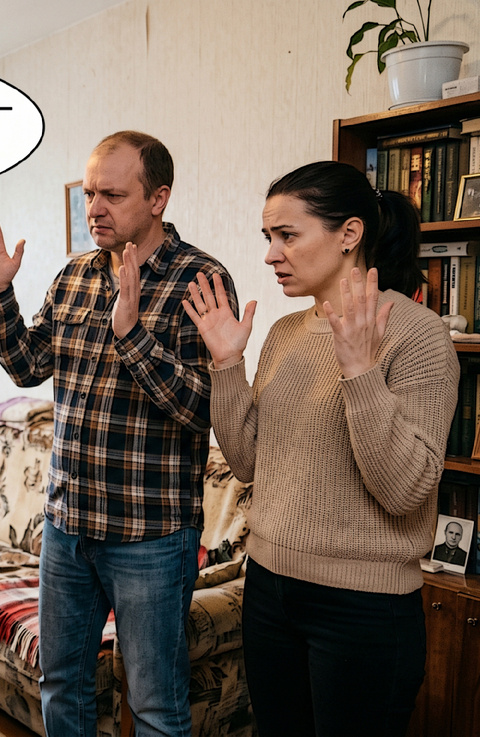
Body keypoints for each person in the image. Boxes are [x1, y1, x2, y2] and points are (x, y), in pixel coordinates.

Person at [0, 130, 237, 737]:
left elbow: (205, 407)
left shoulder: (201, 281)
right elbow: (28, 366)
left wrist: (132, 335)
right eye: (90, 194)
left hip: (150, 536)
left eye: (112, 195)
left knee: (155, 707)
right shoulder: (75, 276)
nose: (95, 208)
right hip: (67, 527)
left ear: (158, 198)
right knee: (62, 685)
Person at [185, 160, 459, 737]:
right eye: (268, 237)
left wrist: (360, 371)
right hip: (268, 588)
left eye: (287, 235)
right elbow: (248, 463)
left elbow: (406, 489)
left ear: (349, 234)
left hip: (364, 608)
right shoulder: (285, 334)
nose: (271, 254)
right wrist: (227, 366)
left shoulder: (419, 335)